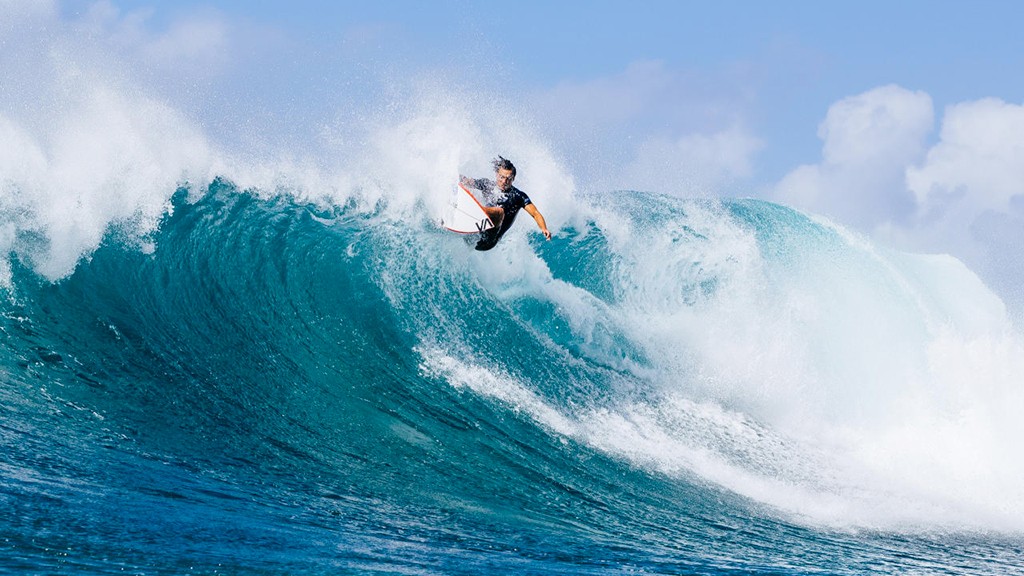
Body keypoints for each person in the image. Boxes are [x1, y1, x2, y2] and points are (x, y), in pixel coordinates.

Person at [460, 156, 551, 251]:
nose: (504, 181)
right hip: (473, 234)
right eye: (502, 177)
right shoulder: (487, 184)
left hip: (488, 241)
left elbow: (535, 213)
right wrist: (451, 174)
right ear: (496, 175)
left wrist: (544, 228)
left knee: (499, 212)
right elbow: (467, 181)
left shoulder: (518, 196)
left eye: (509, 179)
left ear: (513, 179)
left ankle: (470, 210)